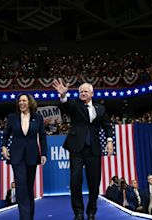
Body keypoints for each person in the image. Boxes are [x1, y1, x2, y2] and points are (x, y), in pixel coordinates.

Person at [52, 79, 113, 220]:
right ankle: (78, 212)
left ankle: (91, 211)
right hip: (76, 148)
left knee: (94, 181)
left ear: (92, 93)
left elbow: (107, 126)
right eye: (81, 91)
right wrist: (63, 96)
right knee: (75, 180)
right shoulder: (75, 105)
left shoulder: (100, 108)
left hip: (94, 149)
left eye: (85, 91)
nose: (83, 93)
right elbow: (66, 106)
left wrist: (109, 140)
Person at [1, 93, 47, 220]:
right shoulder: (12, 117)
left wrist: (44, 153)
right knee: (21, 186)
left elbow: (42, 136)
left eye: (24, 100)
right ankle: (25, 217)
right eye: (20, 101)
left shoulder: (37, 118)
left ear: (29, 102)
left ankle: (29, 216)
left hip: (32, 156)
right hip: (17, 156)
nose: (21, 103)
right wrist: (4, 146)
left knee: (28, 187)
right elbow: (6, 134)